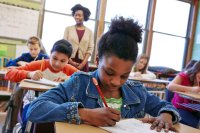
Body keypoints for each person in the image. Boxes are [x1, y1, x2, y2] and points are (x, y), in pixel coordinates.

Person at [27, 16, 180, 132]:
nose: (115, 81)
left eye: (124, 76)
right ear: (98, 60)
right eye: (109, 72)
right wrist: (83, 113)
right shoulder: (79, 83)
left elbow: (167, 106)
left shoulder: (137, 91)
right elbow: (35, 109)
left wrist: (166, 115)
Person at [5, 39, 78, 132]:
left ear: (68, 60)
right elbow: (9, 73)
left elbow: (89, 80)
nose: (57, 63)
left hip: (57, 105)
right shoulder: (40, 64)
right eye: (54, 58)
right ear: (50, 53)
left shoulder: (70, 70)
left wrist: (72, 80)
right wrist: (29, 74)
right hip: (33, 103)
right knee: (30, 123)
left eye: (63, 61)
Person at [167, 61, 200, 128]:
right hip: (179, 108)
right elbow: (170, 86)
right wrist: (191, 89)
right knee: (196, 125)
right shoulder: (184, 76)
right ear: (196, 70)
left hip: (195, 109)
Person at [63, 4, 94, 72]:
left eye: (79, 15)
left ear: (84, 16)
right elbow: (64, 46)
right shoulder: (68, 29)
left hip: (83, 63)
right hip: (68, 62)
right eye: (75, 15)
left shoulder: (90, 32)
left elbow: (90, 49)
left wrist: (83, 64)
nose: (77, 17)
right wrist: (71, 62)